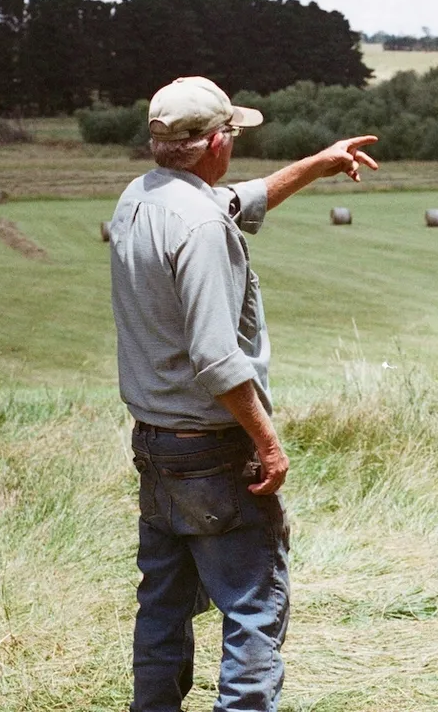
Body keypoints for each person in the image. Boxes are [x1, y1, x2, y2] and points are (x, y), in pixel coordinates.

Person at [109, 76, 378, 712]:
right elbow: (216, 357)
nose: (234, 142)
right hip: (211, 448)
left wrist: (318, 164)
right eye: (231, 131)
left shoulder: (140, 197)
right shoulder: (201, 225)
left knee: (163, 608)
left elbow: (240, 200)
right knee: (253, 612)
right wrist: (268, 442)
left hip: (155, 442)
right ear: (213, 143)